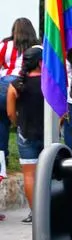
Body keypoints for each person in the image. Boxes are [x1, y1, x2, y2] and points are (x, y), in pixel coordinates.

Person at [6, 46, 45, 223]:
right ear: (40, 62)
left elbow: (10, 113)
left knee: (29, 175)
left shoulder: (15, 85)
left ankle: (35, 213)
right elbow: (60, 111)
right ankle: (50, 210)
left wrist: (17, 124)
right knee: (49, 174)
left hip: (25, 133)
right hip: (47, 134)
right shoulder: (49, 83)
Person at [0, 17, 38, 164]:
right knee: (28, 120)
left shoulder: (4, 45)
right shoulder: (37, 46)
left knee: (2, 121)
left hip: (4, 84)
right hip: (27, 85)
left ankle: (3, 159)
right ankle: (30, 154)